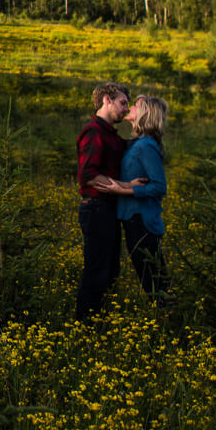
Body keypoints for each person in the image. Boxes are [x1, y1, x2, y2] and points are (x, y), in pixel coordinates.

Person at [95, 95, 170, 304]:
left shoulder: (146, 146)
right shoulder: (137, 142)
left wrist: (123, 190)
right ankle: (166, 316)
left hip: (143, 221)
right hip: (132, 219)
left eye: (135, 105)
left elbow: (159, 186)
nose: (129, 107)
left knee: (154, 280)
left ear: (145, 113)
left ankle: (169, 319)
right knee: (150, 277)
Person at [74, 81, 130, 322]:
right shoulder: (94, 132)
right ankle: (85, 326)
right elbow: (88, 174)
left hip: (107, 210)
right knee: (97, 271)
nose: (126, 109)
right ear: (107, 100)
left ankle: (99, 324)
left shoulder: (111, 135)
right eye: (123, 103)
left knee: (109, 272)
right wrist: (124, 188)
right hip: (96, 209)